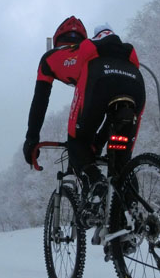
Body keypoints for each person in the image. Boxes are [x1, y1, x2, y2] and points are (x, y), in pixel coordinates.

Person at [23, 16, 146, 201]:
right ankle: (136, 221)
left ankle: (96, 184)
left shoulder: (51, 58)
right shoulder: (94, 49)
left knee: (76, 143)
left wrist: (32, 139)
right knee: (122, 163)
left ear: (57, 40)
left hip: (98, 79)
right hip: (135, 81)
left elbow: (40, 100)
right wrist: (97, 144)